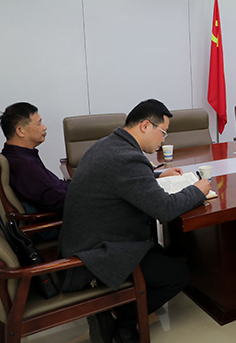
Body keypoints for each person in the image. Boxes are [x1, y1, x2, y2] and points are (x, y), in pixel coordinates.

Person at [58, 99, 211, 343]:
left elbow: (122, 180)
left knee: (169, 256)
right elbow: (164, 209)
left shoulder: (109, 144)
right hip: (96, 254)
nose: (163, 140)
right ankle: (123, 322)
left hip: (88, 239)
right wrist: (198, 190)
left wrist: (155, 175)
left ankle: (123, 309)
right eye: (163, 133)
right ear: (145, 126)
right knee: (178, 274)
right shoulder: (128, 158)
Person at [1, 102, 69, 212]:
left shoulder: (18, 156)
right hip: (60, 219)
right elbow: (58, 200)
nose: (44, 127)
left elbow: (55, 186)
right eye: (39, 124)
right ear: (20, 131)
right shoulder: (24, 164)